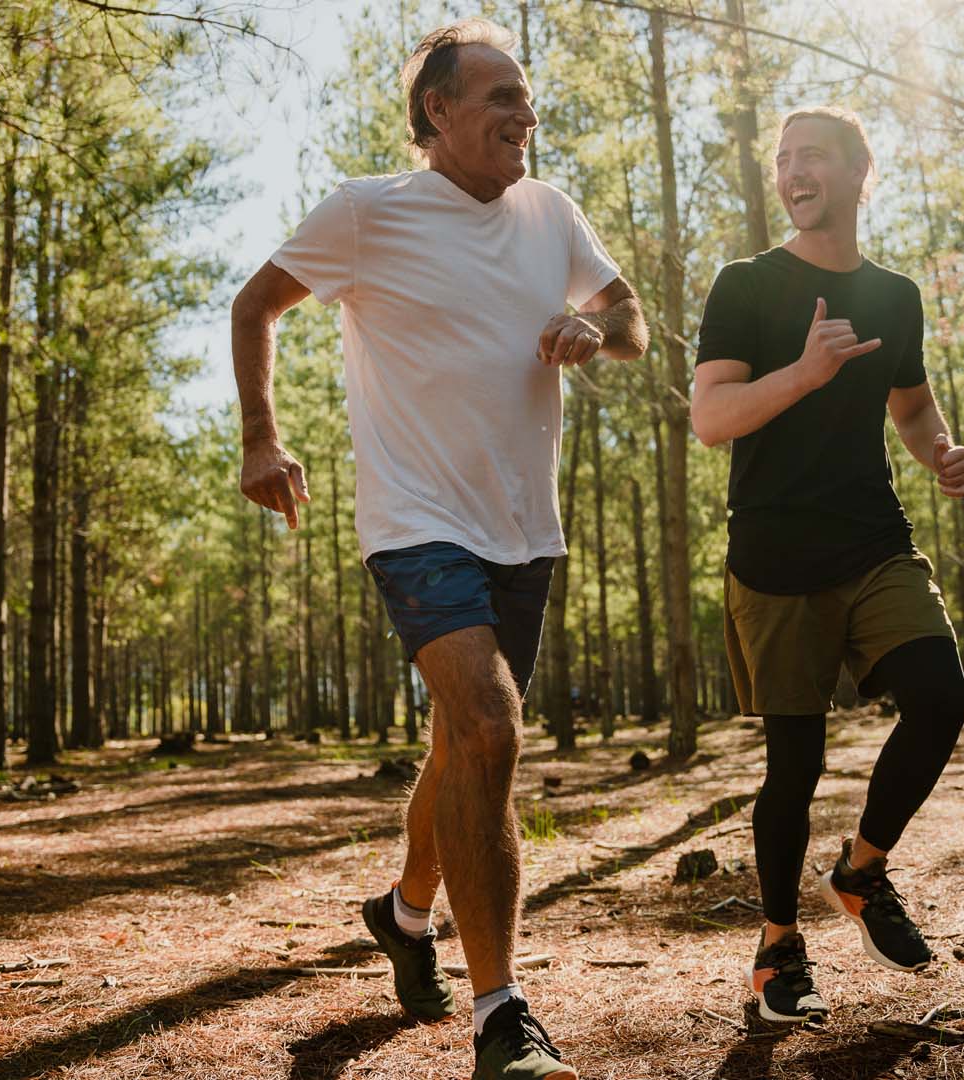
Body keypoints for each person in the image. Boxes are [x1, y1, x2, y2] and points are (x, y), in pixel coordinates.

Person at [229, 18, 647, 1079]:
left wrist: (596, 330)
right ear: (438, 113)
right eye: (501, 97)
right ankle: (503, 1015)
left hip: (524, 528)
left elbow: (629, 314)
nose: (525, 113)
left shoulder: (551, 212)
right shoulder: (370, 212)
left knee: (464, 747)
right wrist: (261, 438)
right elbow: (256, 305)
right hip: (414, 523)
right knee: (492, 730)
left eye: (528, 96)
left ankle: (405, 913)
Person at [689, 105, 964, 1026]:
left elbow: (913, 405)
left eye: (813, 156)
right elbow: (711, 418)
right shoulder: (746, 284)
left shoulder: (895, 296)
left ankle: (860, 869)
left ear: (861, 172)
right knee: (794, 768)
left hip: (874, 540)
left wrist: (940, 451)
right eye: (783, 160)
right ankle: (778, 953)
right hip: (774, 559)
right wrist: (802, 376)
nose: (793, 171)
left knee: (940, 696)